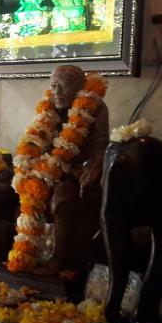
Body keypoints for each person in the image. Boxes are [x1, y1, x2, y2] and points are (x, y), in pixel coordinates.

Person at [46, 64, 109, 274]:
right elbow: (38, 144)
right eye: (53, 87)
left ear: (78, 88)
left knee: (63, 197)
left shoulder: (95, 107)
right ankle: (24, 253)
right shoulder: (48, 109)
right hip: (49, 169)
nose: (57, 92)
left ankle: (58, 259)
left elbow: (101, 146)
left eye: (62, 87)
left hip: (77, 174)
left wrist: (94, 166)